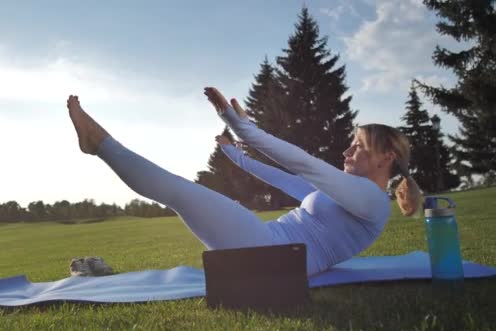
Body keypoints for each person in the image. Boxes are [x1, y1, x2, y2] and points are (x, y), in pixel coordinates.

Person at [66, 87, 422, 275]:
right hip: (269, 246)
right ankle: (99, 144)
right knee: (183, 193)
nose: (347, 151)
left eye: (358, 146)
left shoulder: (372, 201)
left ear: (385, 158)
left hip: (275, 257)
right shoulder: (352, 196)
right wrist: (236, 153)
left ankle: (98, 144)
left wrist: (243, 128)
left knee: (180, 191)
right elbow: (290, 178)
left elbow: (306, 164)